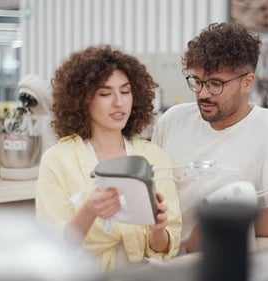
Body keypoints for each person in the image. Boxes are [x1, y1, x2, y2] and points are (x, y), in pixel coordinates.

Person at [151, 22, 268, 253]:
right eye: (198, 81)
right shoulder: (172, 121)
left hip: (220, 264)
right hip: (163, 260)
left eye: (215, 84)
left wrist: (217, 229)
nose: (202, 94)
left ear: (247, 82)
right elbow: (151, 197)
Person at [36, 45, 182, 270]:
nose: (119, 102)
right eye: (105, 93)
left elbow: (164, 248)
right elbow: (52, 249)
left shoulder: (154, 156)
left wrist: (158, 229)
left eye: (125, 91)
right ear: (82, 99)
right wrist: (89, 211)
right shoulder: (57, 161)